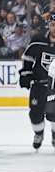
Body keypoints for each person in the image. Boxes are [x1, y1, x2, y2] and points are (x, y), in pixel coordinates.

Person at [19, 14, 55, 149]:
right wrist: (26, 74)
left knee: (54, 113)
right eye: (53, 25)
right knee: (35, 113)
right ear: (49, 25)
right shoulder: (38, 40)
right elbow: (28, 58)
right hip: (39, 85)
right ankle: (38, 133)